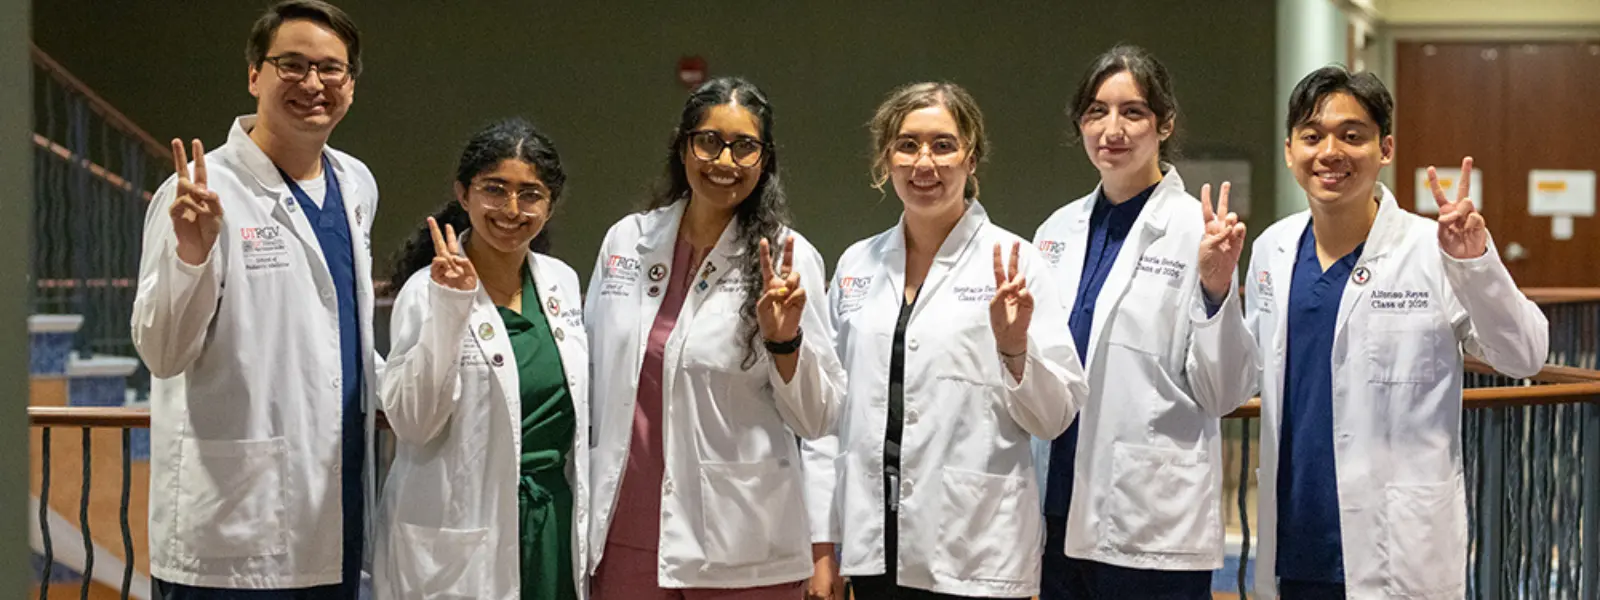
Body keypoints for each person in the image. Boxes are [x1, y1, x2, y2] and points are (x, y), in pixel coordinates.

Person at [1246, 65, 1549, 599]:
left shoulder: (1432, 249)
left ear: (1385, 149)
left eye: (1352, 135)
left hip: (1396, 550)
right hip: (1295, 543)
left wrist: (1476, 264)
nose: (1330, 152)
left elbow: (1523, 356)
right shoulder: (1272, 248)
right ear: (1290, 150)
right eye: (1312, 136)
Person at [130, 1, 377, 596]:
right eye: (291, 65)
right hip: (233, 525)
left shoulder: (356, 182)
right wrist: (192, 255)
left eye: (332, 69)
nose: (313, 84)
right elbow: (162, 354)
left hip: (334, 508)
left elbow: (333, 333)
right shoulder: (197, 190)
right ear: (253, 76)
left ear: (351, 83)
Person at [805, 81, 1089, 600]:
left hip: (975, 546)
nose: (924, 163)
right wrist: (823, 545)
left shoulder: (1017, 263)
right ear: (886, 158)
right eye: (907, 144)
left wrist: (1015, 350)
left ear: (971, 158)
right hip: (874, 548)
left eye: (943, 144)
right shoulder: (855, 267)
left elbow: (1055, 417)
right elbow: (831, 417)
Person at [584, 76, 845, 600]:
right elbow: (589, 373)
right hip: (626, 533)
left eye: (744, 146)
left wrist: (784, 342)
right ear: (683, 147)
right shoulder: (627, 241)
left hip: (742, 543)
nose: (724, 161)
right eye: (709, 141)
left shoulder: (788, 259)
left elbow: (819, 418)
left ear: (765, 161)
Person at [1028, 45, 1255, 599]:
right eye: (1096, 112)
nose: (1113, 128)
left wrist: (1217, 287)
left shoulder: (1194, 230)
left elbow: (1222, 391)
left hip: (1150, 518)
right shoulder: (1055, 233)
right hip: (1057, 507)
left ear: (1165, 124)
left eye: (1133, 112)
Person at [374, 118, 588, 599]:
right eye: (495, 189)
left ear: (550, 205)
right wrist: (450, 311)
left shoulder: (561, 283)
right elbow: (412, 422)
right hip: (458, 530)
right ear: (463, 194)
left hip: (548, 522)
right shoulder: (424, 292)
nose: (512, 209)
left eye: (530, 194)